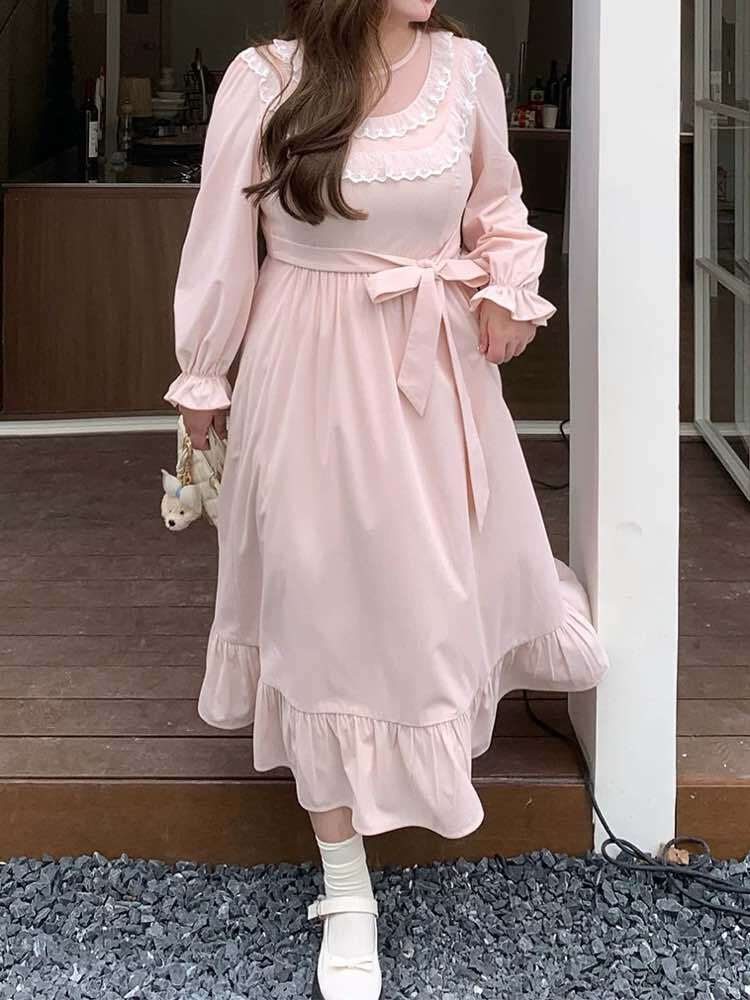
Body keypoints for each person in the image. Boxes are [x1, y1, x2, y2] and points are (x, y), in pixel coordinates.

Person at [163, 2, 610, 997]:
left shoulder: (465, 68)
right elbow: (222, 242)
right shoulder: (267, 79)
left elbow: (499, 206)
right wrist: (203, 378)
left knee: (423, 594)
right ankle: (345, 885)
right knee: (317, 611)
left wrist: (506, 288)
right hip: (305, 373)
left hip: (434, 371)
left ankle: (416, 767)